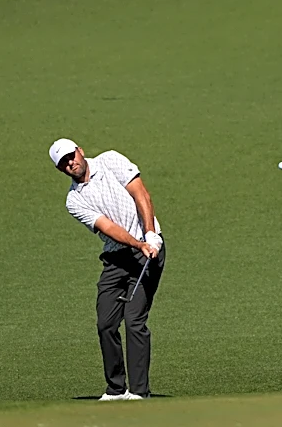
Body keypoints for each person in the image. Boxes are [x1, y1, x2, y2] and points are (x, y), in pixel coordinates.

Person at [47, 139, 165, 401]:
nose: (70, 163)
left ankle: (138, 392)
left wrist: (149, 235)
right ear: (60, 170)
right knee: (106, 323)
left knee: (134, 320)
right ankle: (116, 389)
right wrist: (138, 242)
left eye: (71, 156)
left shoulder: (111, 160)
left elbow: (141, 194)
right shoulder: (74, 201)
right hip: (116, 257)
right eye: (63, 163)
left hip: (148, 249)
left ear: (80, 151)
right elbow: (108, 227)